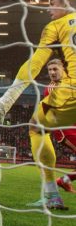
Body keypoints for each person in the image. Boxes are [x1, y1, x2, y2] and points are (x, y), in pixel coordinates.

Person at [0, 0, 76, 210]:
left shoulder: (55, 26)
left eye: (52, 4)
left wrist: (7, 100)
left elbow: (35, 64)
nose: (48, 9)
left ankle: (51, 195)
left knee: (36, 127)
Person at [43, 58, 76, 193]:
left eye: (55, 69)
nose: (52, 72)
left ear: (63, 69)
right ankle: (63, 181)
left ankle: (64, 180)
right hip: (65, 130)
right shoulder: (51, 89)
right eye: (50, 70)